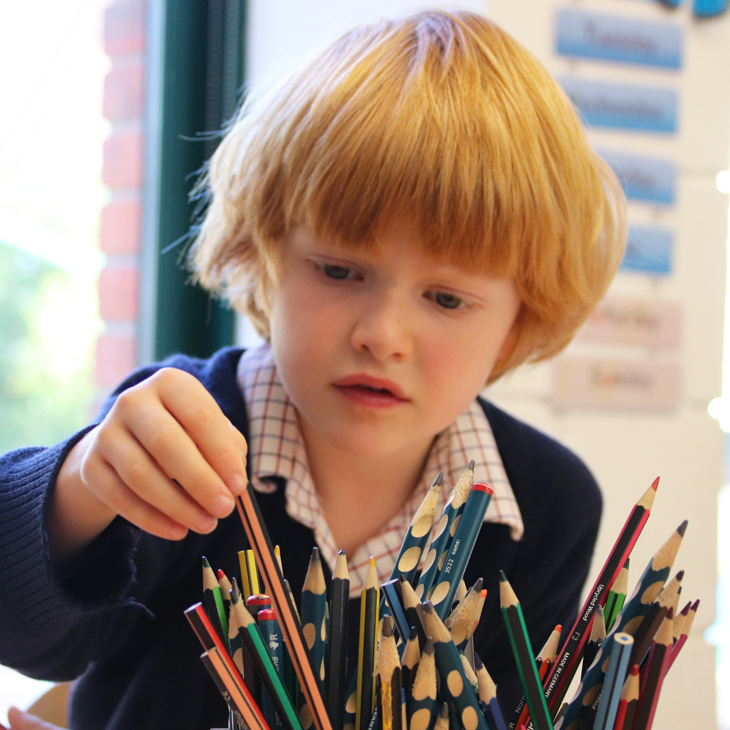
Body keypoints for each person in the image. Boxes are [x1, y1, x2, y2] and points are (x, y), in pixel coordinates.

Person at [0, 10, 626, 730]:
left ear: (521, 316)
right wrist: (82, 483)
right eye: (337, 270)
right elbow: (26, 634)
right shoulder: (177, 429)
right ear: (265, 252)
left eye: (447, 298)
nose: (381, 336)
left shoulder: (547, 508)